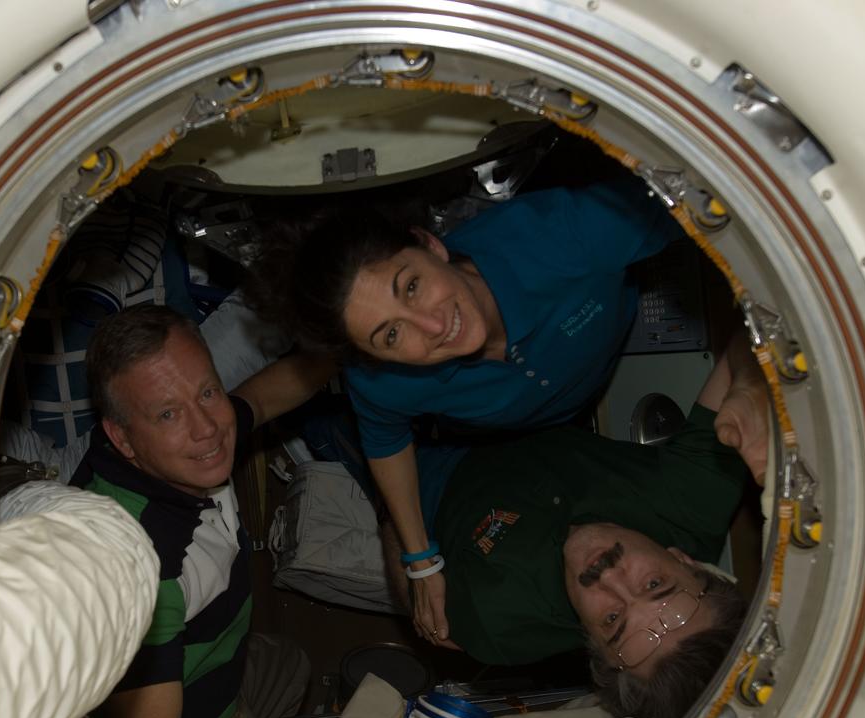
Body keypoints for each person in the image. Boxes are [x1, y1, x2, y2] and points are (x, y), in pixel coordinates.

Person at [247, 173, 686, 650]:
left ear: (429, 244)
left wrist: (748, 376)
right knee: (332, 429)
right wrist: (421, 560)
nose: (432, 326)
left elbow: (731, 224)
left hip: (582, 390)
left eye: (411, 286)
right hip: (484, 436)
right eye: (391, 334)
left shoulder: (570, 232)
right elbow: (385, 436)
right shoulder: (382, 378)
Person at [69, 305, 437, 718]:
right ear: (122, 439)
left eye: (208, 393)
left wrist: (352, 342)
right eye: (167, 415)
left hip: (222, 662)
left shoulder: (186, 445)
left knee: (290, 665)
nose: (208, 430)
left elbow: (264, 398)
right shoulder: (140, 565)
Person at [379, 335, 768, 718]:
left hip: (422, 483)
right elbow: (750, 341)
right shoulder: (696, 502)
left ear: (593, 648)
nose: (610, 576)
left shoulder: (497, 622)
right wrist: (751, 383)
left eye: (613, 619)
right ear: (686, 560)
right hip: (515, 404)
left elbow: (419, 593)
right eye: (654, 583)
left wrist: (399, 527)